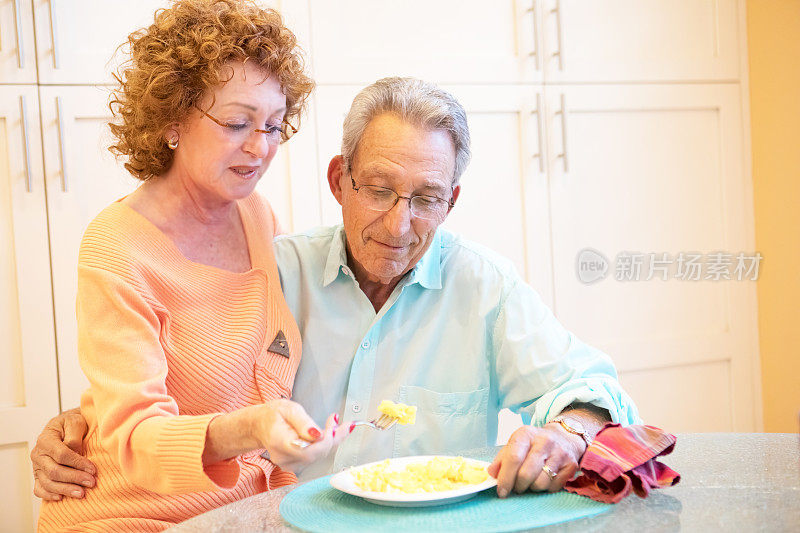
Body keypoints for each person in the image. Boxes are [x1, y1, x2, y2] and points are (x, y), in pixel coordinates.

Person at [33, 77, 640, 507]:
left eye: (427, 198)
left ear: (451, 201)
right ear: (338, 181)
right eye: (378, 189)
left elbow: (592, 389)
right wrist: (81, 424)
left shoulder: (486, 288)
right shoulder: (274, 270)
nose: (400, 224)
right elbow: (184, 382)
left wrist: (568, 432)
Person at [35, 1, 346, 531]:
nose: (260, 147)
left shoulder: (256, 216)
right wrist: (249, 429)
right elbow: (134, 432)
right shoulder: (117, 248)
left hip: (247, 510)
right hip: (132, 514)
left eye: (273, 125)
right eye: (237, 122)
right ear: (172, 118)